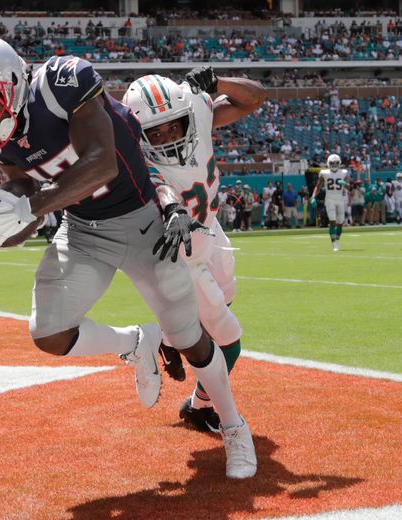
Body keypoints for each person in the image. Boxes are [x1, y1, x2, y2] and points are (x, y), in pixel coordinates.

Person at [0, 36, 256, 479]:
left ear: (12, 82)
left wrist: (31, 208)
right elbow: (24, 188)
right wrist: (12, 219)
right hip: (84, 227)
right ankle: (135, 343)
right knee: (48, 331)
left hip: (145, 218)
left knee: (191, 338)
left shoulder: (61, 82)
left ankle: (234, 427)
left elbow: (102, 163)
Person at [123, 69, 264, 441]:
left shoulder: (198, 110)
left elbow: (254, 96)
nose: (169, 138)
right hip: (179, 254)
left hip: (211, 231)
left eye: (175, 126)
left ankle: (168, 338)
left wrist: (219, 83)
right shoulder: (132, 159)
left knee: (227, 299)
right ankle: (201, 405)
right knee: (228, 339)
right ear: (138, 134)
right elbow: (156, 192)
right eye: (156, 132)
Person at [311, 154, 348, 252]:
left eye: (336, 163)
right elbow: (318, 186)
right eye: (332, 163)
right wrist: (313, 197)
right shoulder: (324, 173)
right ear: (328, 163)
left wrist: (345, 184)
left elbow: (350, 187)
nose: (334, 165)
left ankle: (336, 238)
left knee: (340, 222)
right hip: (330, 199)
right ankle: (334, 244)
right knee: (332, 221)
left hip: (340, 199)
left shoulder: (344, 172)